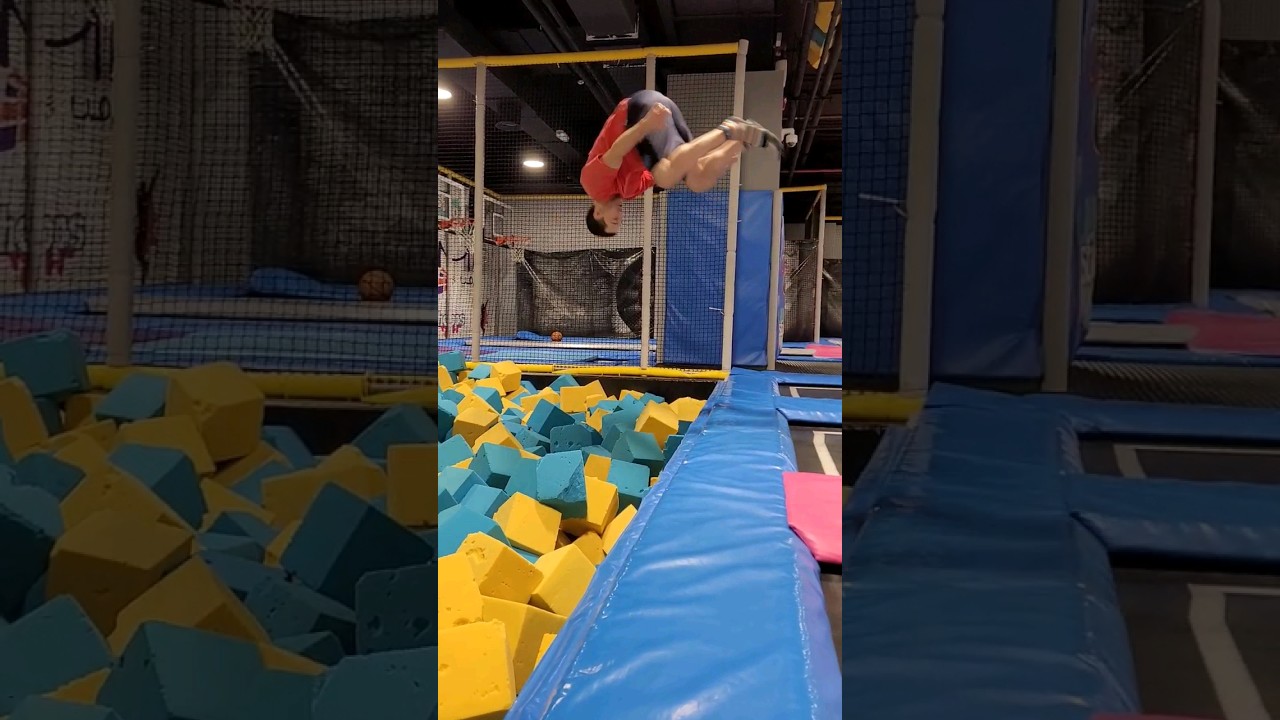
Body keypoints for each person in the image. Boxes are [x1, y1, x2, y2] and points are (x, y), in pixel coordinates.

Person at [580, 89, 779, 237]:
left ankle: (730, 130)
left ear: (598, 212)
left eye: (614, 219)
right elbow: (679, 164)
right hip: (657, 122)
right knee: (697, 181)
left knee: (666, 177)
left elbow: (617, 150)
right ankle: (742, 141)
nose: (620, 216)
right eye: (619, 222)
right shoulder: (629, 191)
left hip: (639, 112)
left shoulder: (593, 185)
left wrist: (646, 124)